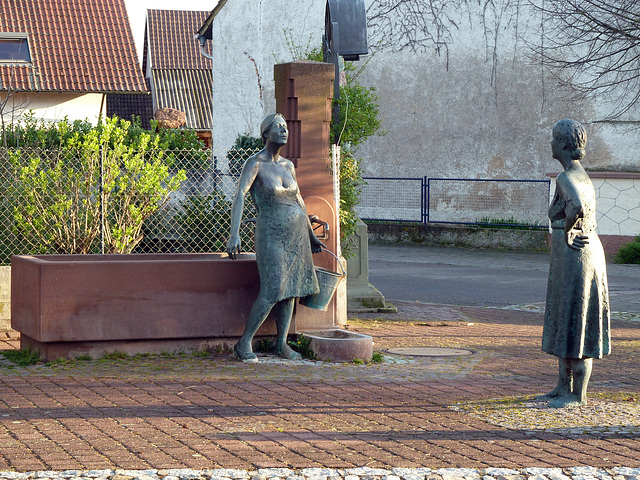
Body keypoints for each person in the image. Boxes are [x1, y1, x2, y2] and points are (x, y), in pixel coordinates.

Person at [226, 113, 324, 363]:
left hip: (297, 236)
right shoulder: (255, 163)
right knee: (273, 288)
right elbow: (239, 197)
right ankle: (244, 342)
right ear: (265, 133)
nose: (284, 130)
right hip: (270, 234)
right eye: (278, 127)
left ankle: (281, 344)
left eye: (285, 127)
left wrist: (311, 235)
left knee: (291, 290)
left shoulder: (288, 166)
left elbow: (298, 199)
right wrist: (234, 233)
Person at [539, 119, 611, 408]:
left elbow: (577, 207)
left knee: (575, 318)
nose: (551, 143)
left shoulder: (566, 177)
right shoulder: (579, 175)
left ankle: (575, 394)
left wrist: (569, 233)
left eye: (554, 138)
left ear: (564, 144)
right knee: (568, 315)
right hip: (581, 252)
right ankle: (562, 386)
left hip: (575, 254)